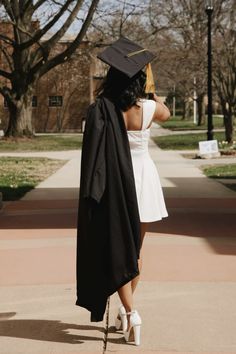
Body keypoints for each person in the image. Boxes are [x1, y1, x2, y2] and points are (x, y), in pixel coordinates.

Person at [76, 37, 170, 346]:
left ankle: (130, 311)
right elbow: (166, 112)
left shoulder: (106, 109)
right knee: (135, 253)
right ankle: (129, 311)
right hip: (144, 181)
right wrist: (150, 88)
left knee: (117, 251)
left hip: (118, 184)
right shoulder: (147, 108)